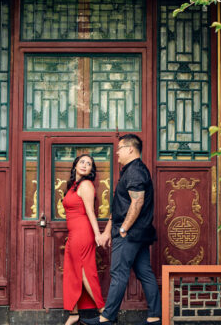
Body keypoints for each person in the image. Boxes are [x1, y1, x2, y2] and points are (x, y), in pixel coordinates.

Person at [82, 134, 161, 325]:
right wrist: (109, 230)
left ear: (130, 149)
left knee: (118, 273)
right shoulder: (131, 170)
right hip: (138, 234)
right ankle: (155, 317)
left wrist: (123, 229)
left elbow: (137, 201)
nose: (116, 153)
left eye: (119, 148)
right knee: (145, 272)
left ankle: (106, 318)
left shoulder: (135, 171)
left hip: (130, 234)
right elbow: (121, 205)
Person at [62, 154, 106, 325]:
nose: (85, 165)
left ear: (90, 171)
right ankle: (73, 313)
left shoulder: (86, 185)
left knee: (84, 271)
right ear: (75, 165)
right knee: (72, 272)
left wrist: (97, 235)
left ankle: (104, 311)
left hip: (82, 233)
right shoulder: (73, 185)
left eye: (89, 164)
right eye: (82, 162)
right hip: (74, 234)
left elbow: (90, 212)